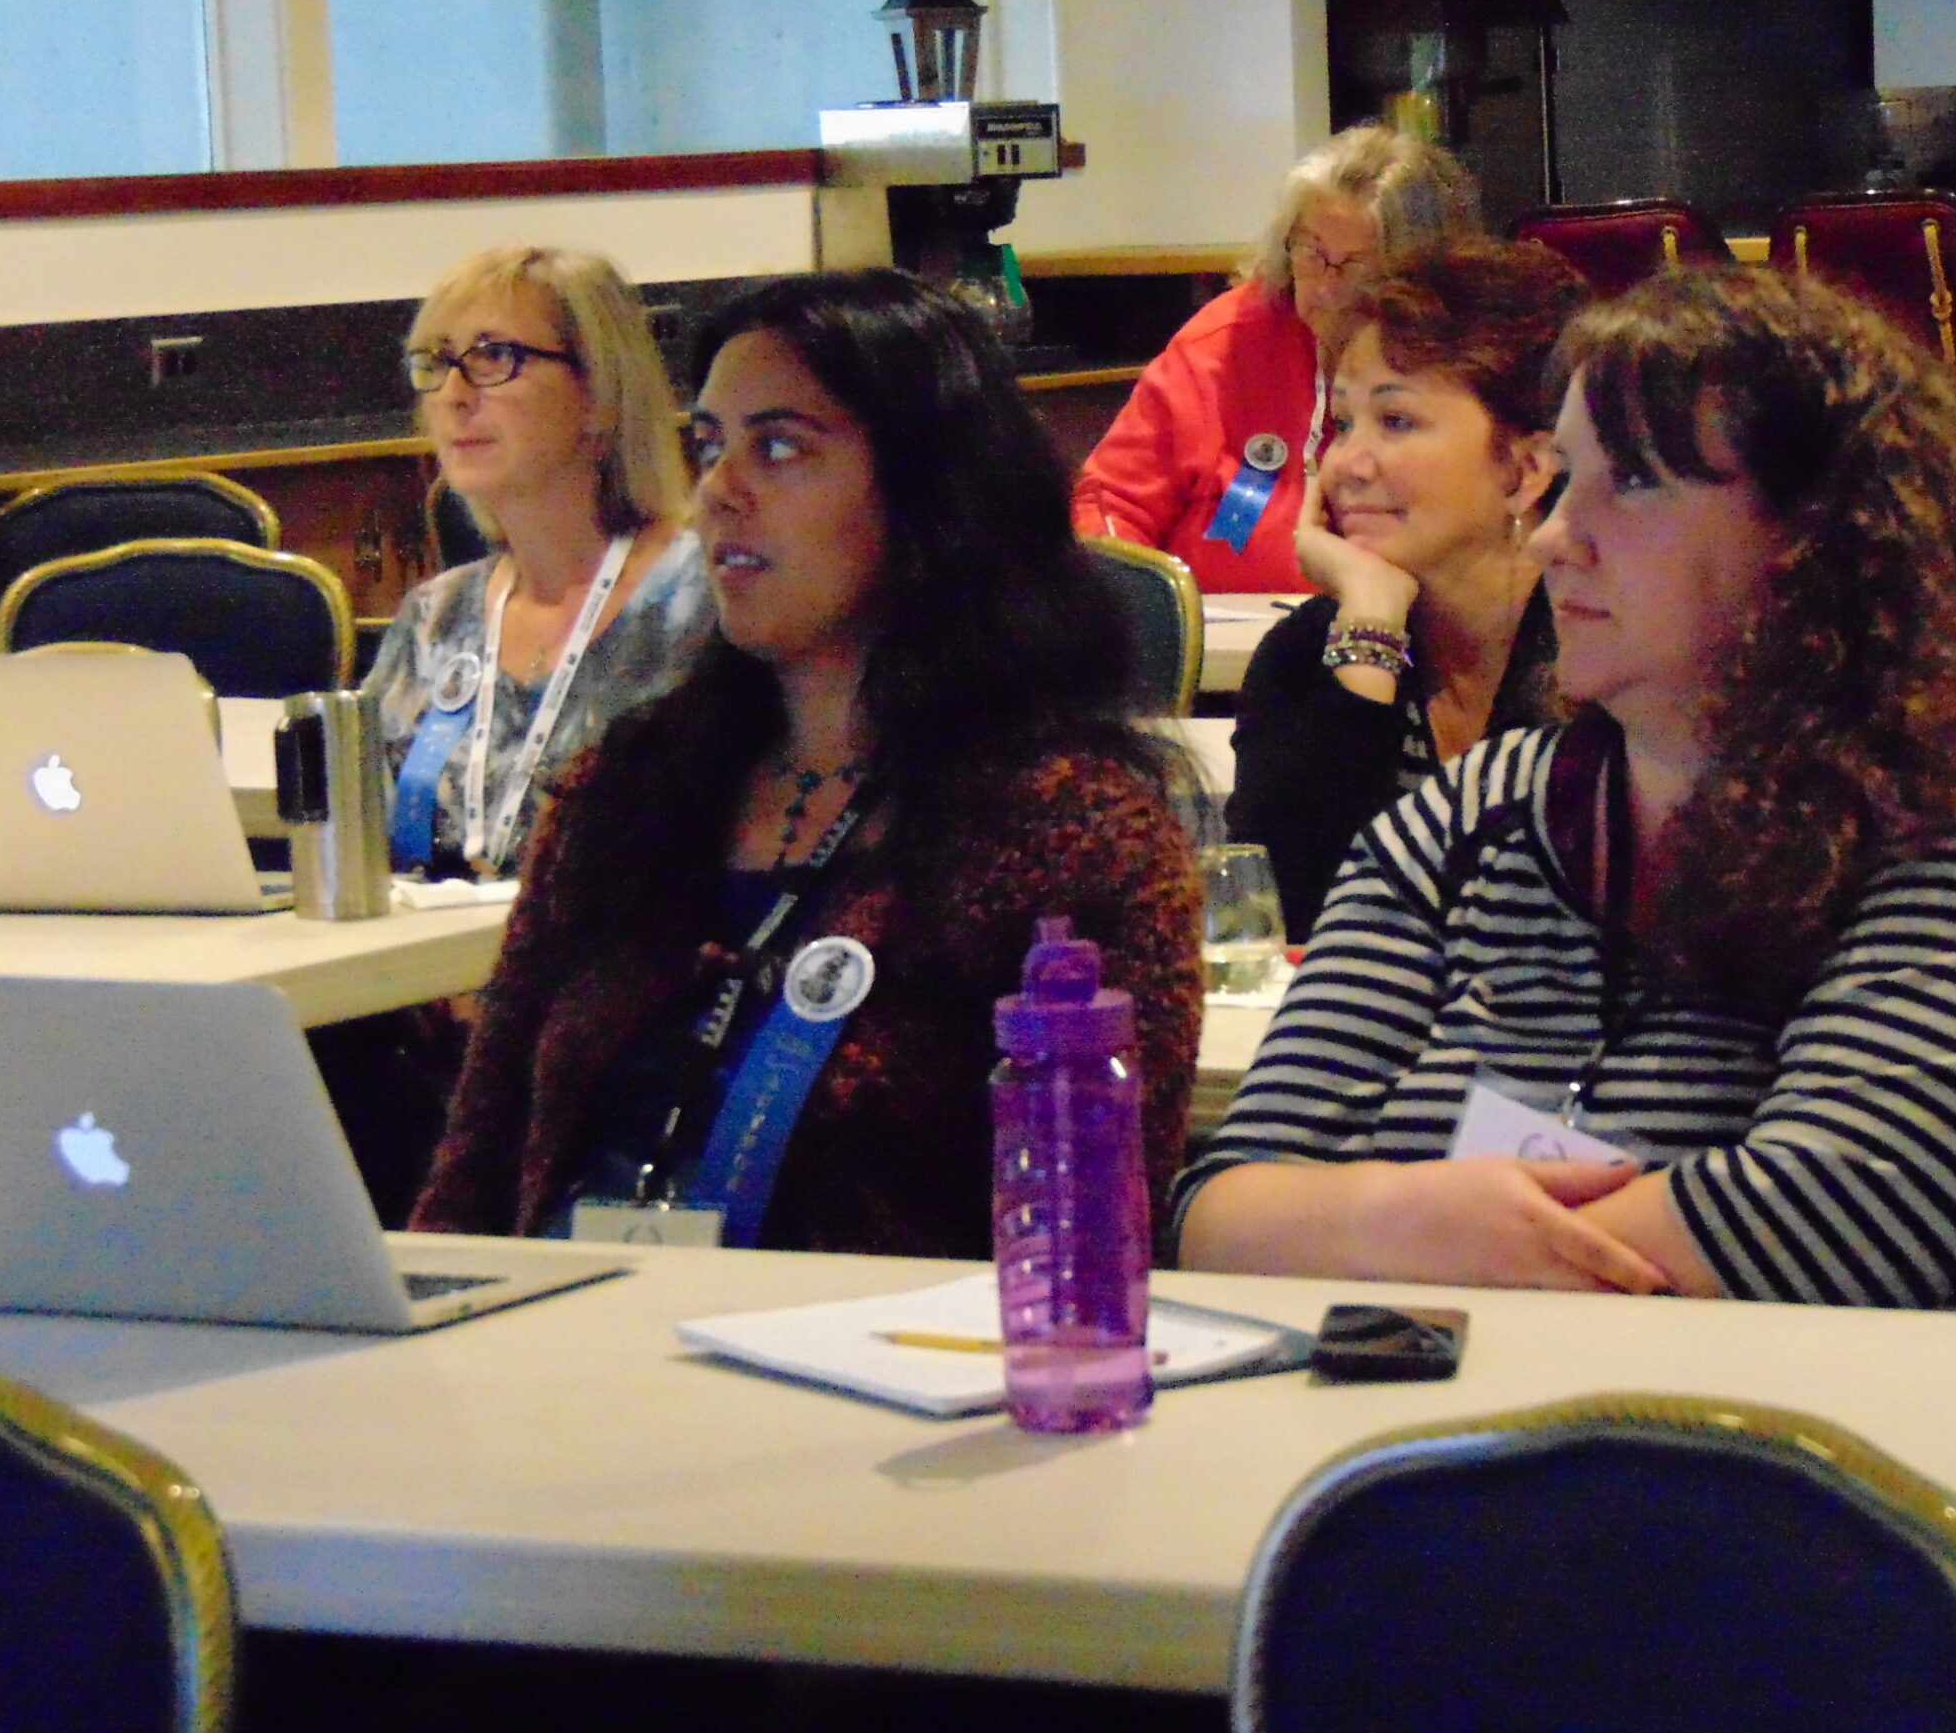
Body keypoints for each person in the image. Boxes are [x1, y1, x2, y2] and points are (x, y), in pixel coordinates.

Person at [1174, 264, 1956, 1321]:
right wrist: (1404, 1222)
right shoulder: (1470, 817)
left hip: (1898, 1422)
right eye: (1564, 479)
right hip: (1495, 1415)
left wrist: (1378, 1233)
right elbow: (1220, 1211)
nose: (1555, 535)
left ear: (1815, 534)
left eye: (1631, 482)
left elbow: (1820, 1236)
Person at [408, 270, 1203, 1254]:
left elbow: (1095, 1236)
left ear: (927, 493)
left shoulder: (1069, 832)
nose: (719, 492)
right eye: (710, 446)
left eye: (779, 448)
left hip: (879, 1342)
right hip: (573, 1324)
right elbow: (476, 1170)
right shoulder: (627, 788)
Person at [1226, 236, 1585, 939]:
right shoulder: (1306, 657)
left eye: (1395, 421)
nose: (1346, 465)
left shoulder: (1604, 656)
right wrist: (1369, 622)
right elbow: (1283, 916)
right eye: (1343, 424)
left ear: (1525, 470)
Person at [368, 244, 713, 879]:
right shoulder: (433, 617)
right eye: (436, 362)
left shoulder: (707, 602)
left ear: (599, 392)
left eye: (494, 356)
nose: (453, 394)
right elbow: (364, 843)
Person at [1072, 125, 1480, 594]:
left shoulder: (1458, 367)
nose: (1327, 288)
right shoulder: (1226, 343)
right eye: (1313, 254)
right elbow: (1110, 506)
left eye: (1358, 267)